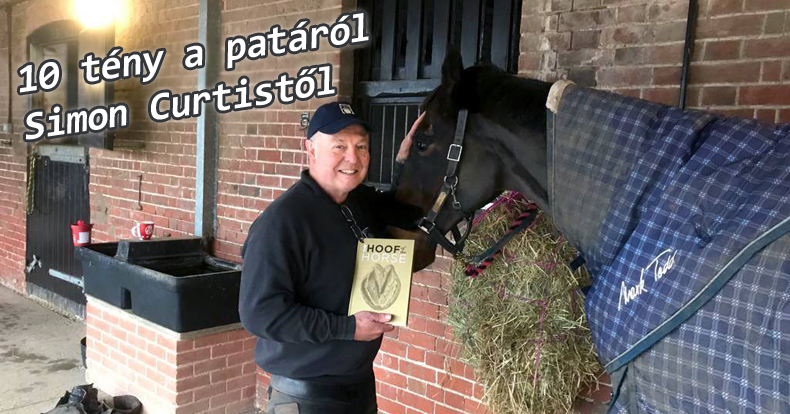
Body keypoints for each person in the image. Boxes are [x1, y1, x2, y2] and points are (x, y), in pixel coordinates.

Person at [239, 102, 425, 414]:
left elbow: (405, 211)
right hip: (306, 398)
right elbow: (259, 314)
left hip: (359, 387)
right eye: (339, 146)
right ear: (310, 149)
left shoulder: (358, 201)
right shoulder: (282, 223)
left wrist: (410, 160)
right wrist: (347, 328)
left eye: (361, 146)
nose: (353, 158)